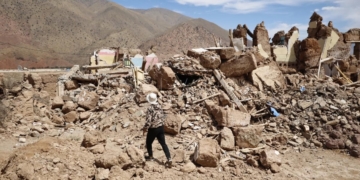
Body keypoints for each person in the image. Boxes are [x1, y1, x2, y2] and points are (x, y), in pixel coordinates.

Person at [142, 93, 172, 166]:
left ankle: (151, 157)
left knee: (148, 143)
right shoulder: (159, 105)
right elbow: (162, 116)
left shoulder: (150, 108)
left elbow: (149, 120)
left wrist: (145, 128)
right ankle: (169, 158)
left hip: (153, 129)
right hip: (161, 127)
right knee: (163, 144)